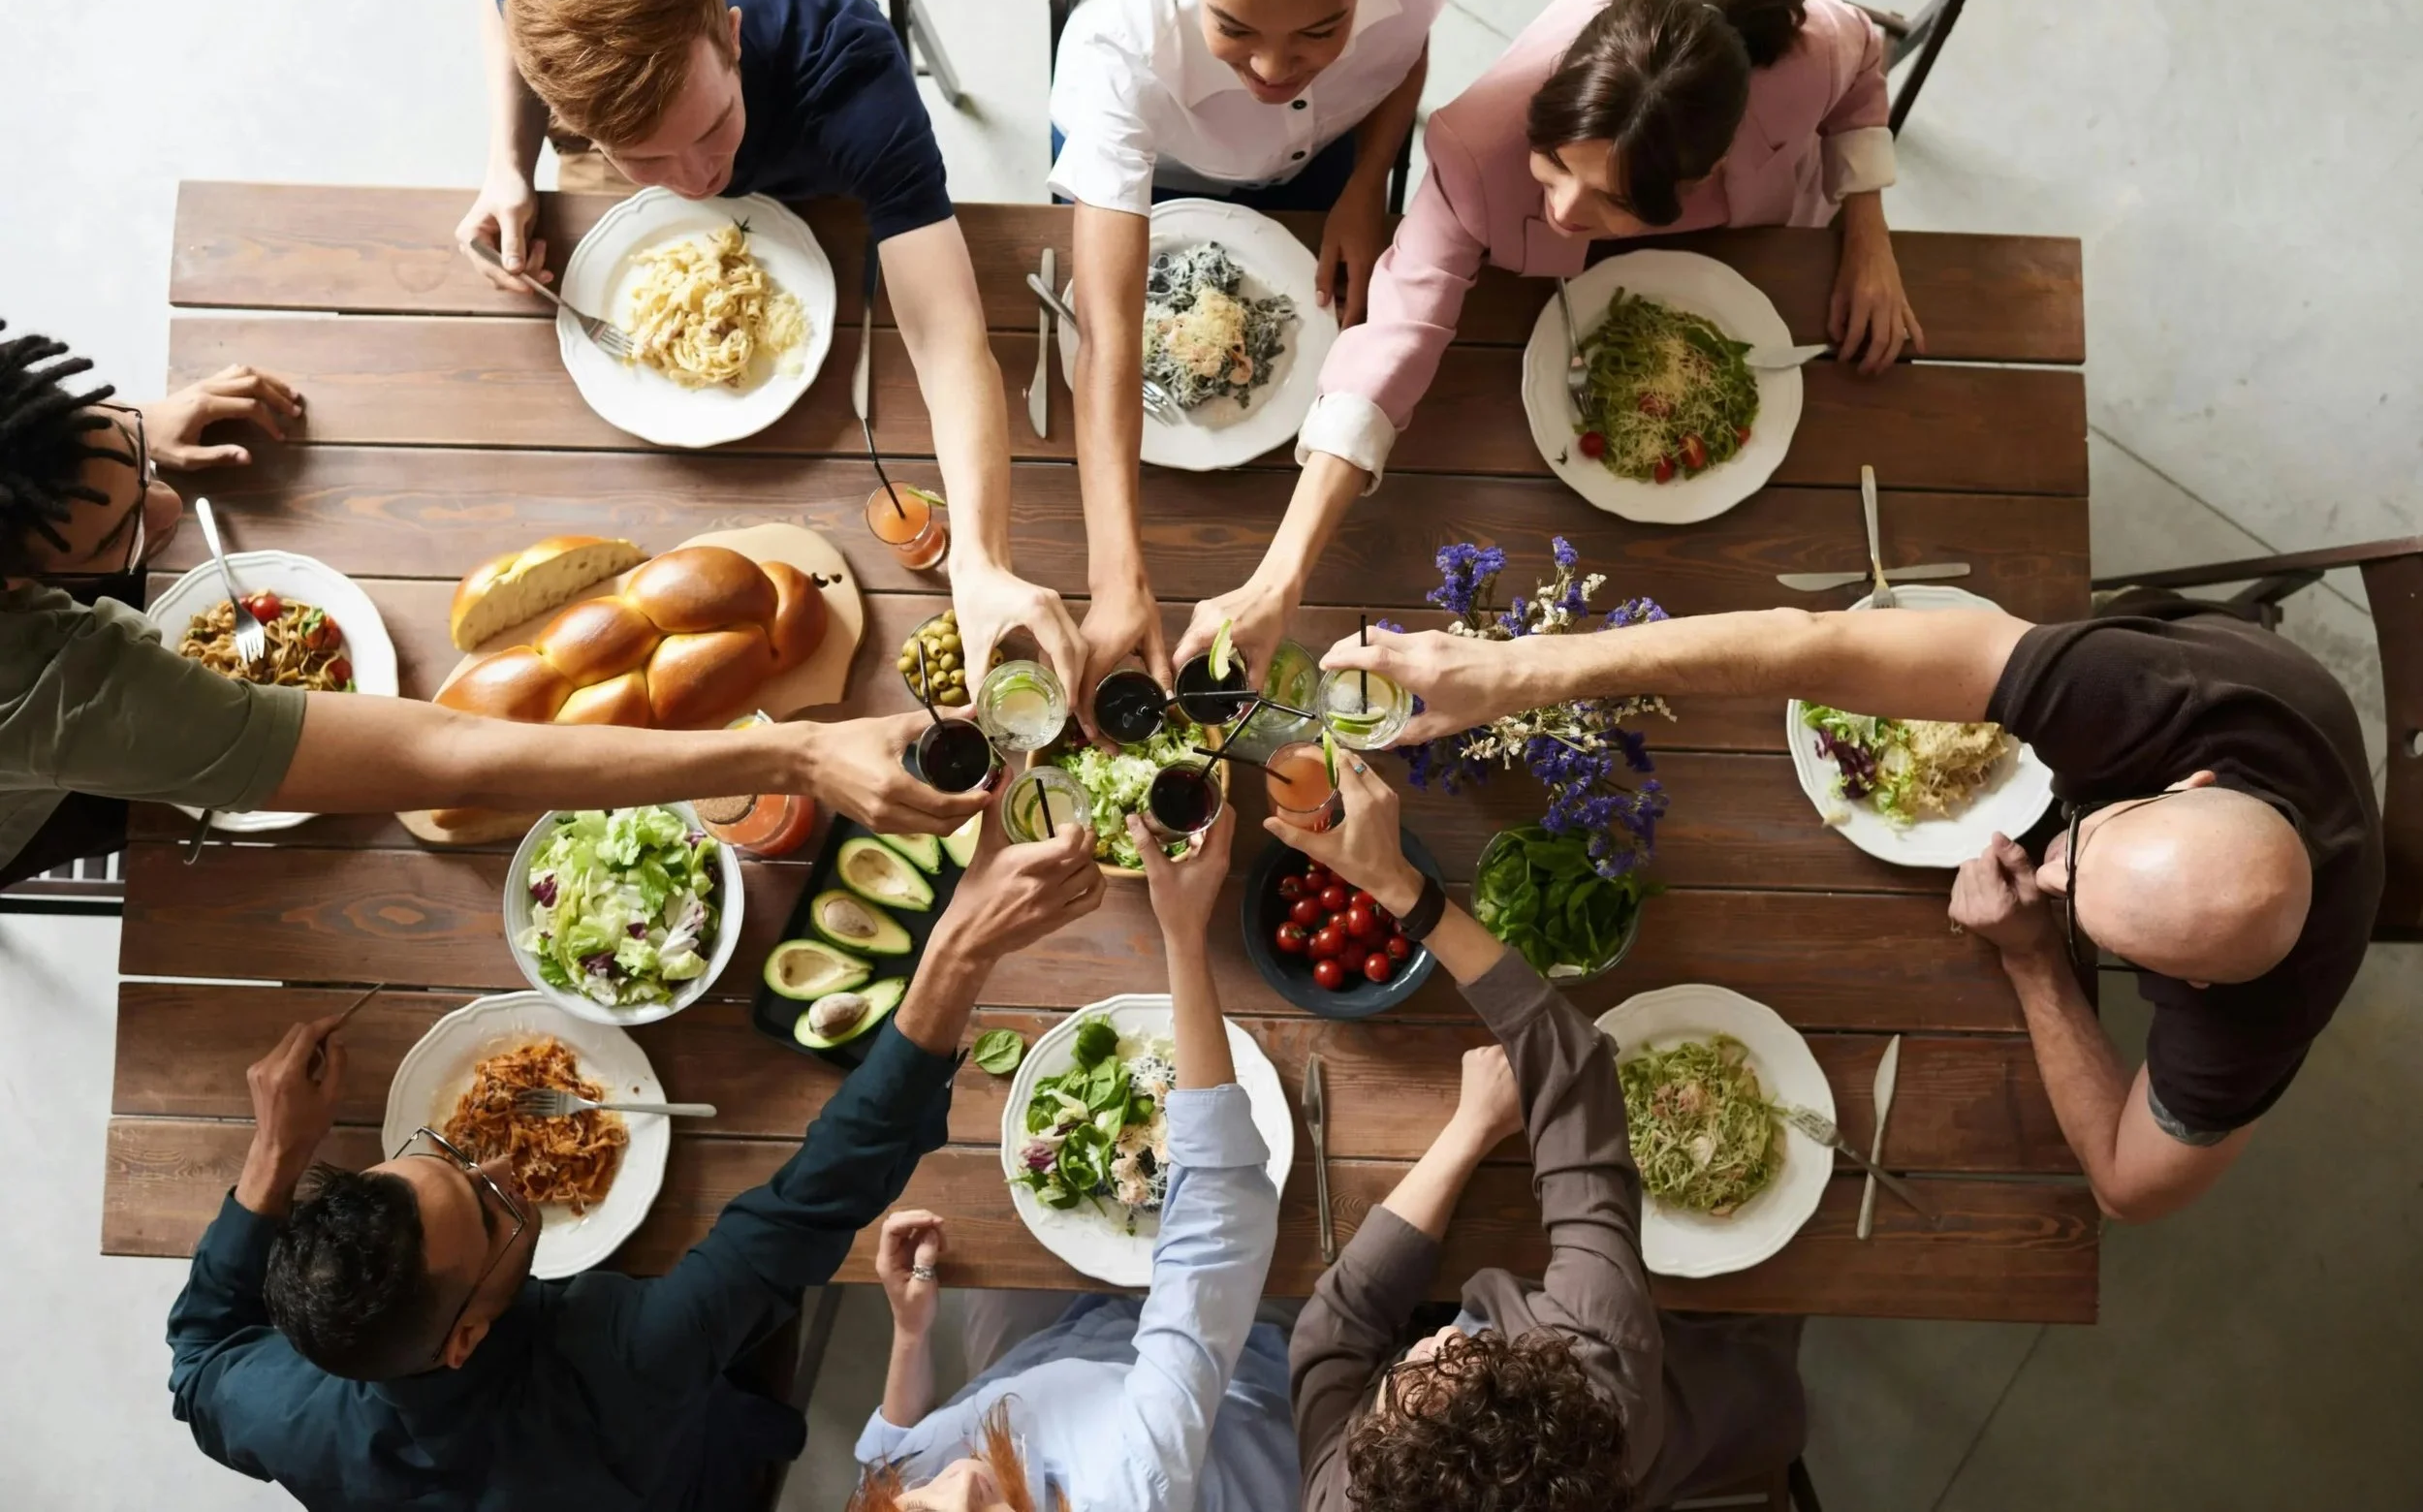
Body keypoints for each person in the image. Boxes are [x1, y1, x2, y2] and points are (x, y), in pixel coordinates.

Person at [165, 803, 1105, 1510]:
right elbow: (816, 1198)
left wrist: (276, 1157)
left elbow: (197, 1360)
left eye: (447, 1158)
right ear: (462, 1340)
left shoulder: (285, 1411)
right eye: (490, 1214)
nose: (500, 1171)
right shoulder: (621, 1362)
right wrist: (956, 952)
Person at [1329, 593, 2384, 1222]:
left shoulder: (2261, 1018)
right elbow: (1811, 642)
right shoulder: (2155, 699)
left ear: (2194, 987)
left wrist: (2029, 958)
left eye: (2076, 901)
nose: (2045, 863)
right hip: (2231, 679)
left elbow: (2125, 1184)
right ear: (2187, 783)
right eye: (2086, 847)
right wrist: (1523, 667)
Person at [0, 324, 987, 889]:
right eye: (123, 537)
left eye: (129, 453)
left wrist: (119, 444)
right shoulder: (58, 690)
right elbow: (442, 755)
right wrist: (799, 753)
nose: (175, 507)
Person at [1175, 0, 1917, 690]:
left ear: (1707, 168)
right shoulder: (1476, 145)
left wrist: (1868, 232)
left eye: (1610, 201)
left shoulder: (1804, 57)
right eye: (1555, 163)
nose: (1561, 211)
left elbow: (1863, 65)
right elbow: (1396, 333)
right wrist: (1279, 577)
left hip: (1759, 257)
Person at [457, 0, 1086, 718]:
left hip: (830, 201)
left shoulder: (850, 72)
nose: (696, 182)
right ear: (583, 126)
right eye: (645, 159)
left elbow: (945, 334)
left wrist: (979, 560)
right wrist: (508, 164)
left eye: (714, 125)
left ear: (733, 36)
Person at [1276, 757, 1804, 1509]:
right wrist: (1404, 890)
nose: (1440, 1343)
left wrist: (1467, 1132)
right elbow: (1576, 1072)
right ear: (1546, 1392)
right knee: (1752, 1360)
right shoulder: (1601, 1377)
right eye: (1461, 1370)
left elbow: (1333, 1332)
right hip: (1712, 1400)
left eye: (1404, 1386)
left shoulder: (1346, 1495)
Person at [1052, 0, 1451, 705]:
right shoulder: (1118, 48)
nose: (1273, 70)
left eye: (1319, 32)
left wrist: (1368, 183)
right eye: (1235, 29)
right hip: (1162, 169)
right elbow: (1108, 338)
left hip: (1329, 158)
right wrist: (1116, 578)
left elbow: (1407, 52)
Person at [848, 807, 1292, 1511]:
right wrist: (1182, 931)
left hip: (1049, 1364)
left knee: (994, 1239)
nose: (962, 1480)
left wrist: (911, 1332)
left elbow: (885, 1462)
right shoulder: (1132, 1486)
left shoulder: (917, 1487)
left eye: (925, 1507)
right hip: (1235, 1393)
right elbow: (1216, 1229)